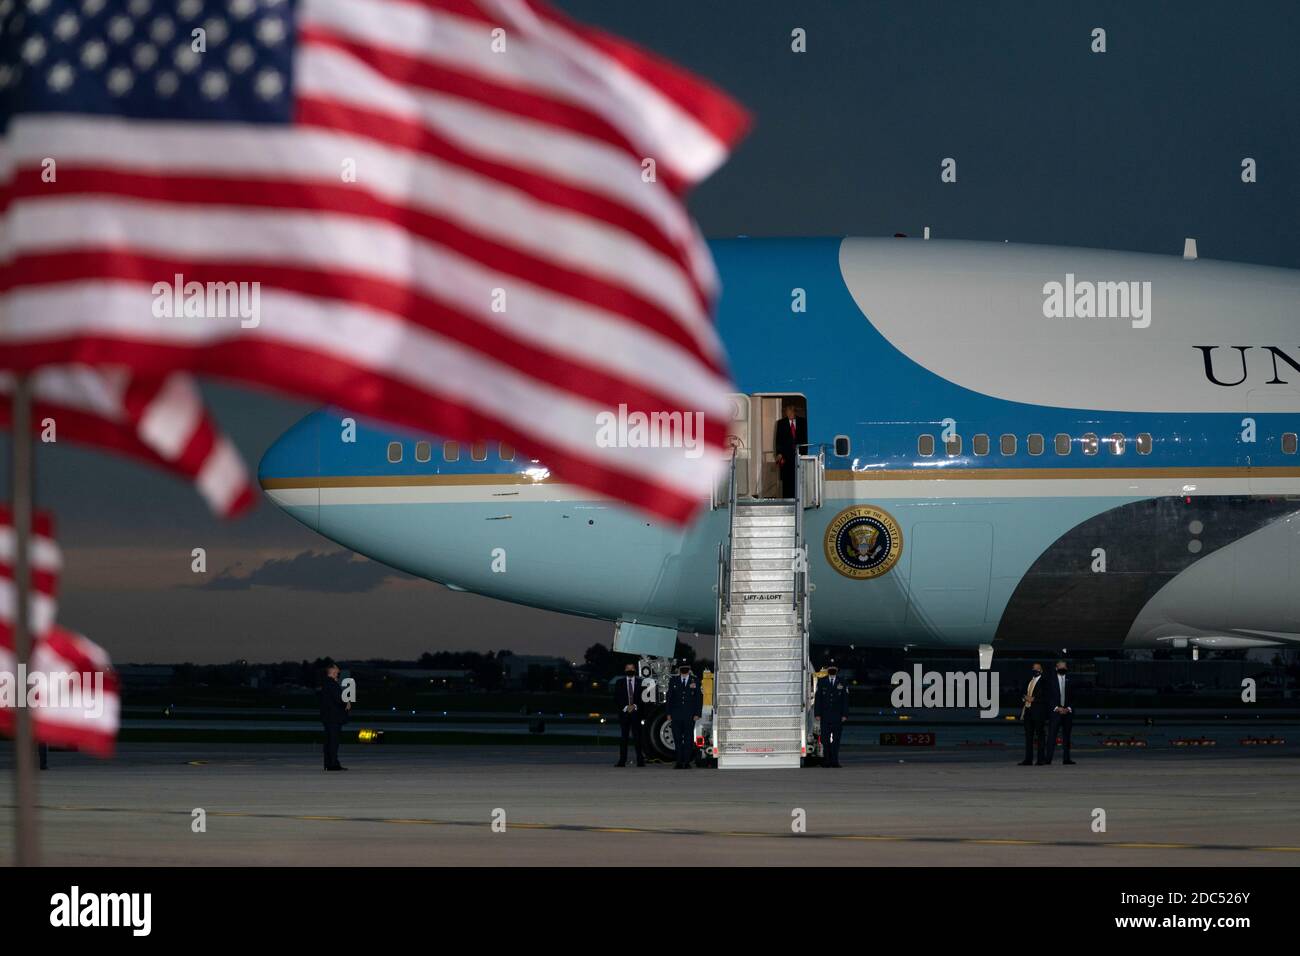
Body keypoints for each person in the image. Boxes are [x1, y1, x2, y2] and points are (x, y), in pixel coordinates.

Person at [666, 663, 702, 769]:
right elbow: (669, 698)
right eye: (682, 668)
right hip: (676, 715)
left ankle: (686, 762)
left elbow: (698, 698)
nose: (684, 669)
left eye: (686, 667)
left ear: (689, 668)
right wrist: (668, 713)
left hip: (689, 715)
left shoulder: (695, 680)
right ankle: (678, 762)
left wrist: (697, 713)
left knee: (688, 739)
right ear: (679, 669)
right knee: (677, 739)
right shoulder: (674, 680)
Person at [814, 664, 850, 767]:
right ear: (828, 670)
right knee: (825, 740)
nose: (832, 670)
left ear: (837, 670)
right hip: (825, 716)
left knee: (836, 740)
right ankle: (826, 761)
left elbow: (845, 700)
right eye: (830, 669)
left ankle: (835, 761)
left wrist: (845, 714)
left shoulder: (842, 682)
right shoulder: (822, 681)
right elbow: (818, 699)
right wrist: (817, 713)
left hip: (837, 716)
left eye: (834, 669)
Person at [1042, 659, 1076, 765]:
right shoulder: (1050, 680)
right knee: (1051, 736)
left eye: (1064, 667)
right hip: (1055, 713)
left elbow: (1075, 697)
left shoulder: (1071, 680)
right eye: (1061, 667)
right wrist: (1057, 708)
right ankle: (1048, 759)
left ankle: (1066, 759)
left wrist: (1068, 708)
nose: (1063, 669)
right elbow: (1048, 697)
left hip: (1068, 713)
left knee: (1067, 737)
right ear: (1056, 668)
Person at [613, 661, 645, 767]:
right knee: (624, 739)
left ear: (635, 670)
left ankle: (640, 760)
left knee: (638, 738)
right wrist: (626, 707)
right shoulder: (619, 682)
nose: (630, 670)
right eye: (628, 668)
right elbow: (617, 698)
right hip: (624, 714)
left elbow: (643, 698)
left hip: (636, 714)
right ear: (625, 670)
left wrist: (635, 706)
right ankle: (622, 761)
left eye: (632, 668)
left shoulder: (641, 682)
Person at [319, 660, 350, 771]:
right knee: (333, 742)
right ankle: (333, 764)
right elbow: (338, 699)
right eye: (336, 668)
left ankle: (329, 763)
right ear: (331, 670)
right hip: (334, 717)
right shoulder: (331, 684)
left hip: (327, 717)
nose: (339, 670)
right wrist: (346, 702)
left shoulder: (326, 683)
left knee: (328, 742)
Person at [773, 402, 807, 499]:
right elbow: (778, 440)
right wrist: (779, 453)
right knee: (787, 480)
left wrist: (805, 453)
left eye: (790, 412)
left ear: (794, 412)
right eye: (787, 412)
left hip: (800, 456)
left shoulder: (803, 422)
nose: (789, 414)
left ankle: (799, 499)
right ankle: (787, 500)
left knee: (799, 479)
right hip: (786, 456)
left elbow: (805, 438)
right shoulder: (781, 423)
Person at [1019, 662, 1048, 766]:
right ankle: (1028, 759)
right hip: (1028, 711)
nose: (1035, 670)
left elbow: (1046, 697)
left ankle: (1041, 759)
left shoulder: (1044, 682)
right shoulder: (1028, 681)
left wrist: (1034, 699)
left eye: (1037, 669)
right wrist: (1024, 697)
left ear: (1041, 670)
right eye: (1033, 668)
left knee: (1040, 735)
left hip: (1038, 712)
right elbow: (1022, 692)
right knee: (1028, 736)